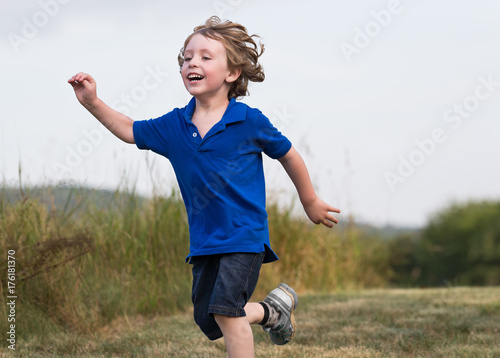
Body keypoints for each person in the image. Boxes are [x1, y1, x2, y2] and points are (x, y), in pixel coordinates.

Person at [68, 16, 340, 358]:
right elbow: (128, 128)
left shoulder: (249, 121)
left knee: (226, 311)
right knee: (209, 321)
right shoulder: (173, 127)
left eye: (205, 57)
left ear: (232, 73)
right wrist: (92, 102)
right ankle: (272, 311)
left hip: (244, 236)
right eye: (187, 57)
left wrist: (310, 200)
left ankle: (263, 317)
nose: (192, 62)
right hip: (205, 241)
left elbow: (289, 155)